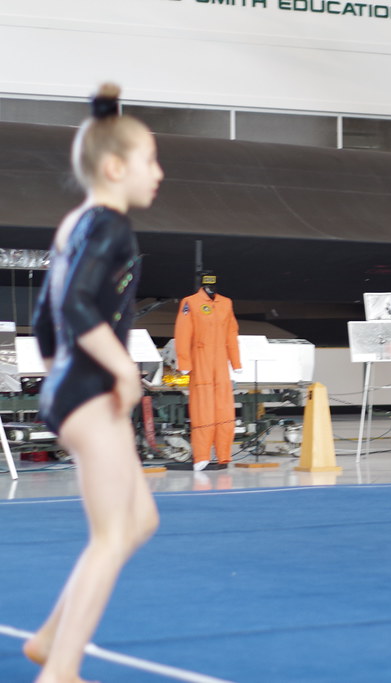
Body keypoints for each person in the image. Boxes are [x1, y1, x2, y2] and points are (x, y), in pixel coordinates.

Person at [25, 83, 163, 683]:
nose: (159, 174)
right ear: (114, 167)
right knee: (110, 536)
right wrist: (119, 368)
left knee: (140, 521)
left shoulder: (74, 222)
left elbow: (43, 319)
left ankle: (50, 638)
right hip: (87, 389)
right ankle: (61, 670)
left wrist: (63, 373)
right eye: (151, 162)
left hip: (71, 385)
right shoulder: (109, 225)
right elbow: (79, 306)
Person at [174, 270, 242, 471]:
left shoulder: (226, 303)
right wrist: (184, 364)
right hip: (200, 360)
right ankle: (202, 455)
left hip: (220, 363)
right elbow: (183, 333)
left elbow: (231, 333)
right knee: (202, 410)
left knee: (224, 409)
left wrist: (236, 362)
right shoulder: (190, 302)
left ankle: (224, 455)